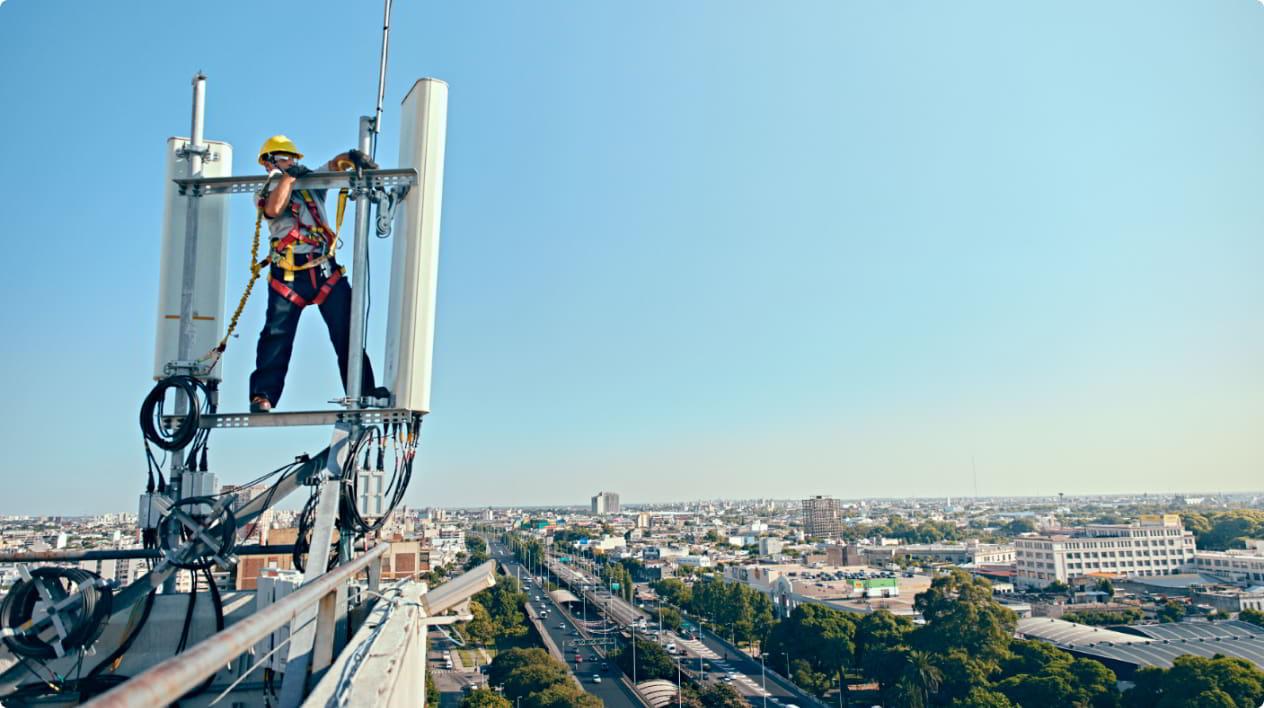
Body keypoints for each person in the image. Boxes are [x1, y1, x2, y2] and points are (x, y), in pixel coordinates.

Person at [248, 135, 387, 412]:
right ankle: (263, 395)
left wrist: (350, 155)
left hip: (324, 270)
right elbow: (274, 209)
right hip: (288, 275)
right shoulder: (266, 189)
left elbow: (335, 166)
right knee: (277, 333)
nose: (288, 162)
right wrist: (287, 179)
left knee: (347, 332)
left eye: (290, 158)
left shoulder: (311, 183)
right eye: (281, 158)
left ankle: (363, 391)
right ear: (269, 162)